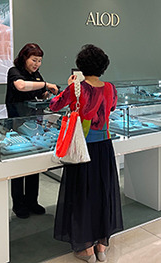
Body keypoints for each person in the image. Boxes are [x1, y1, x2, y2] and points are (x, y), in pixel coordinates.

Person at [50, 44, 123, 263]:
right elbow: (110, 109)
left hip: (82, 148)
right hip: (105, 146)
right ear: (103, 66)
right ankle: (101, 247)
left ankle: (86, 250)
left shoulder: (77, 88)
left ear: (81, 65)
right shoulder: (110, 88)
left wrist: (69, 86)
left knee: (82, 196)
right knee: (103, 193)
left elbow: (55, 105)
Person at [5, 43, 59, 219]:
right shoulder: (14, 71)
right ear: (24, 58)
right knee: (19, 165)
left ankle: (32, 201)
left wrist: (46, 94)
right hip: (16, 125)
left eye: (40, 61)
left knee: (34, 164)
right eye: (34, 60)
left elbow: (39, 93)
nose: (37, 64)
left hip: (34, 124)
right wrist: (46, 84)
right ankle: (18, 204)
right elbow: (21, 86)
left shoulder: (36, 75)